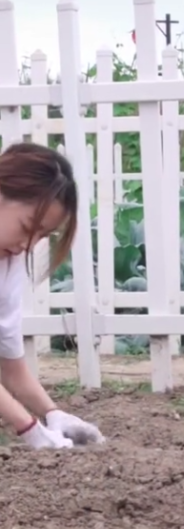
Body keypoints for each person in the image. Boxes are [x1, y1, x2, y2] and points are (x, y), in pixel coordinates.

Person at [0, 140, 105, 449]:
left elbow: (9, 365)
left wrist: (53, 413)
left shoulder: (10, 262)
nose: (29, 245)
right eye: (27, 226)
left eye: (42, 235)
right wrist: (28, 427)